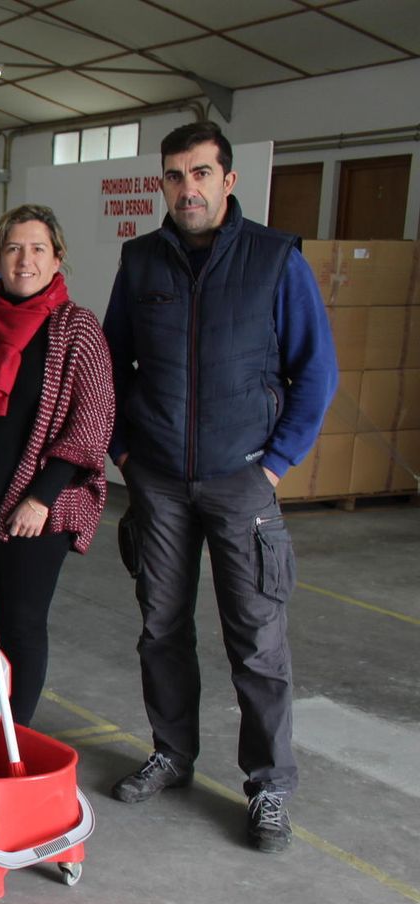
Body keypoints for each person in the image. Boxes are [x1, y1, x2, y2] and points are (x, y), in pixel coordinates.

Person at [105, 121, 336, 853]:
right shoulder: (141, 262)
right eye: (174, 176)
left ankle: (268, 786)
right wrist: (121, 452)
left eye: (201, 173)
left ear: (228, 180)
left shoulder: (275, 259)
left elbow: (316, 372)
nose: (187, 188)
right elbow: (109, 366)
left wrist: (273, 465)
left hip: (243, 481)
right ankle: (173, 752)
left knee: (258, 642)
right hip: (160, 482)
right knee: (161, 628)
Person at [0, 205, 114, 728]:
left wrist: (42, 497)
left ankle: (17, 734)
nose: (24, 260)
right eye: (13, 248)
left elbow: (94, 419)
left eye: (37, 248)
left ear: (57, 258)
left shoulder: (77, 329)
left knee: (23, 622)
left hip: (38, 507)